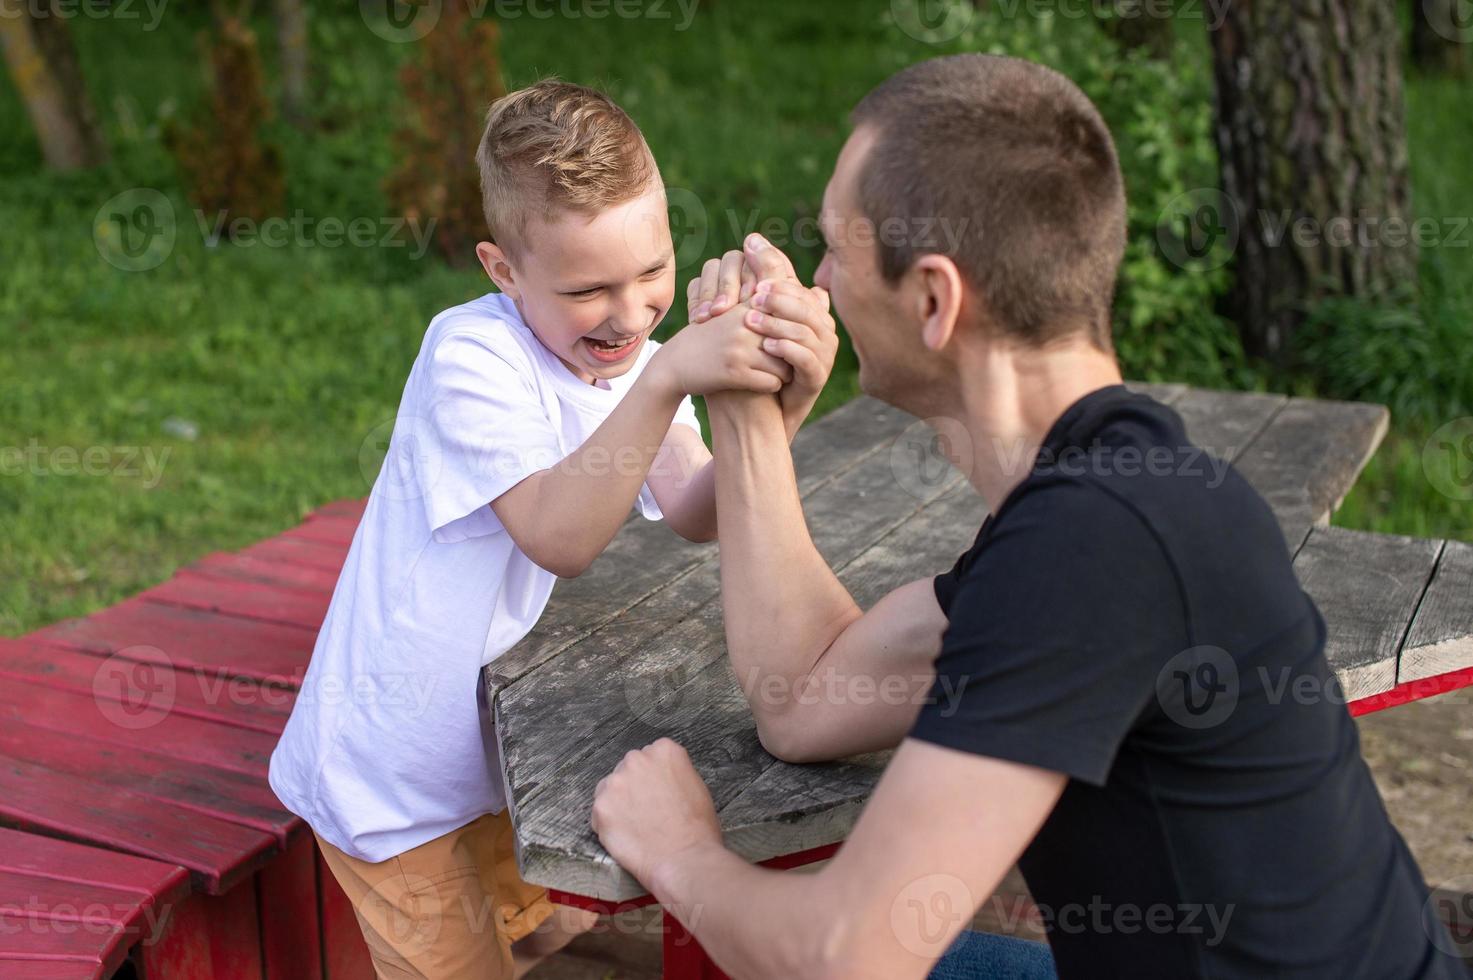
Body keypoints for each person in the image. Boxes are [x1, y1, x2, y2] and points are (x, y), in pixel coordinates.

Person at [590, 54, 1464, 979]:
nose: (820, 278)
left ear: (933, 301)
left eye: (836, 250)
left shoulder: (1090, 549)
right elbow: (806, 699)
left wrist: (679, 853)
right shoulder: (1109, 496)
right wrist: (744, 419)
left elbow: (844, 960)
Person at [266, 78, 835, 979]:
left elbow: (692, 511)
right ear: (502, 270)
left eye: (652, 272)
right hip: (389, 778)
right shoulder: (471, 358)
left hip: (485, 758)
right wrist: (665, 380)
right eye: (586, 289)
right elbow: (556, 535)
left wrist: (774, 416)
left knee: (543, 943)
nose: (629, 314)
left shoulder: (626, 357)